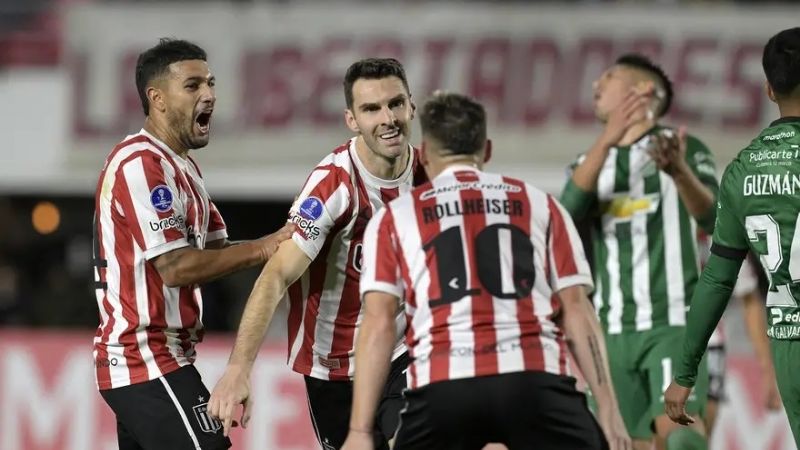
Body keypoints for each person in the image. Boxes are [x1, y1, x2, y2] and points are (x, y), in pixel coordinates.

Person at [341, 91, 631, 450]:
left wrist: (359, 430)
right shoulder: (541, 205)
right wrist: (609, 410)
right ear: (487, 150)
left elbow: (379, 323)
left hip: (443, 386)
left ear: (425, 154)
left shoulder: (394, 218)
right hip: (533, 380)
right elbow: (577, 311)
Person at [208, 58, 425, 449]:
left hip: (402, 350)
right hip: (335, 366)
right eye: (371, 109)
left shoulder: (432, 178)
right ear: (352, 120)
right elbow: (277, 275)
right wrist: (238, 369)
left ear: (412, 105)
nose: (388, 119)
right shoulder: (333, 186)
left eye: (395, 104)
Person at [91, 38, 292, 450]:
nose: (209, 94)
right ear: (157, 98)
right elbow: (176, 267)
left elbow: (216, 253)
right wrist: (265, 247)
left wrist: (289, 242)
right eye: (193, 85)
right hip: (144, 355)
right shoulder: (140, 162)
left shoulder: (182, 167)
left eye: (210, 83)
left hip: (162, 357)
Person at [560, 53, 719, 450]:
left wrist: (679, 172)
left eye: (609, 76)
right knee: (621, 443)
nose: (596, 84)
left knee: (679, 434)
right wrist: (608, 138)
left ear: (644, 90)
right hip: (611, 327)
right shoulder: (587, 162)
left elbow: (714, 219)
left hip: (673, 321)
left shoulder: (686, 149)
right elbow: (566, 214)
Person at [665, 26, 800, 446]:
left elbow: (718, 279)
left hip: (791, 346)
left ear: (769, 91)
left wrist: (685, 372)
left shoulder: (742, 170)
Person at [695, 233, 781, 438]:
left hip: (709, 345)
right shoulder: (659, 225)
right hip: (663, 336)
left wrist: (767, 372)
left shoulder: (722, 230)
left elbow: (748, 296)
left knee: (698, 435)